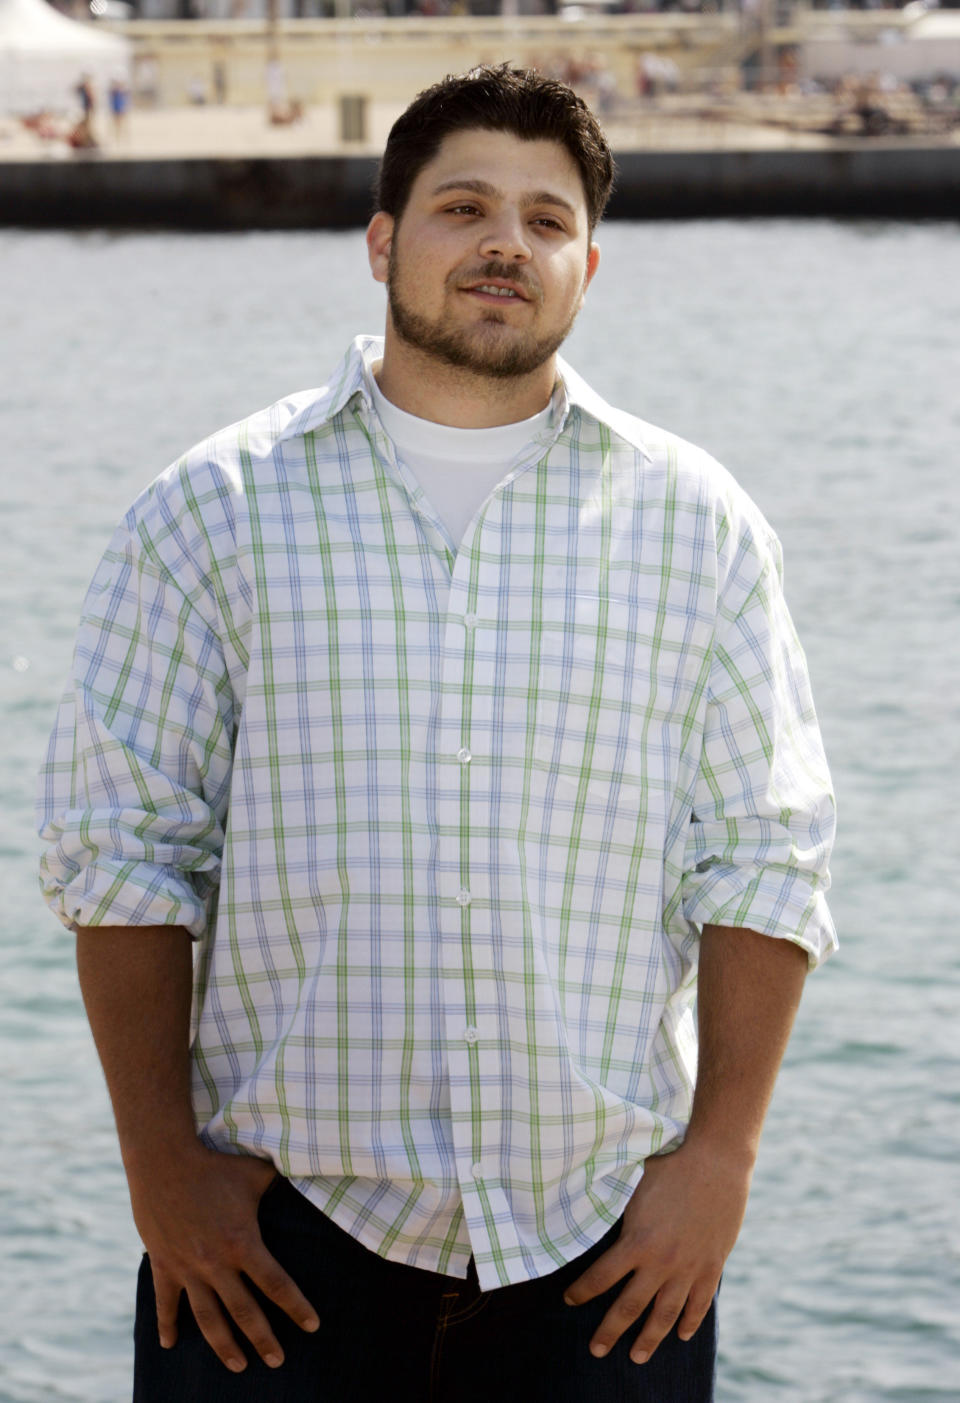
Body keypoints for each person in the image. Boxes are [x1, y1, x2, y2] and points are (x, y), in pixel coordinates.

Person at [37, 64, 836, 1403]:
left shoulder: (698, 526)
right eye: (464, 206)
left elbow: (769, 853)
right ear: (382, 240)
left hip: (608, 1259)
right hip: (269, 1257)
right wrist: (163, 1174)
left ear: (591, 262)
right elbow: (123, 857)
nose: (504, 243)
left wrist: (720, 1166)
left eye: (545, 218)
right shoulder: (212, 510)